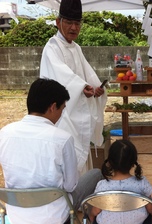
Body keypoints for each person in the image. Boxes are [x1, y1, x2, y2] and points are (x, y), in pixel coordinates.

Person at [0, 78, 103, 224]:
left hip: (16, 214)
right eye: (62, 109)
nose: (61, 114)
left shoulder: (5, 132)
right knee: (96, 174)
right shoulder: (62, 138)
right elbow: (70, 185)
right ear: (53, 107)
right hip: (54, 216)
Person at [39, 0, 107, 175]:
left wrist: (96, 88)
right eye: (69, 22)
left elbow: (87, 76)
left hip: (78, 110)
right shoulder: (52, 48)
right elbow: (60, 78)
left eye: (77, 23)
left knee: (81, 163)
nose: (73, 27)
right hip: (61, 114)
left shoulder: (76, 48)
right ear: (58, 22)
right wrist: (82, 87)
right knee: (67, 163)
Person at [89, 139, 152, 224]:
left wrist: (91, 216)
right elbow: (151, 209)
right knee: (151, 207)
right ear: (133, 162)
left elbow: (96, 210)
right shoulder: (142, 183)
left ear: (110, 162)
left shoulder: (102, 186)